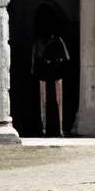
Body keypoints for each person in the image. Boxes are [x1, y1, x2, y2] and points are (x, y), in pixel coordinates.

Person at [28, 8, 72, 137]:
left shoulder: (58, 41)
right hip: (43, 73)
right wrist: (35, 70)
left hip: (56, 72)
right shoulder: (37, 43)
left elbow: (66, 58)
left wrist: (56, 61)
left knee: (59, 101)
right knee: (43, 102)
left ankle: (60, 129)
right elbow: (34, 61)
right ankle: (44, 129)